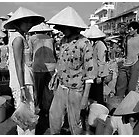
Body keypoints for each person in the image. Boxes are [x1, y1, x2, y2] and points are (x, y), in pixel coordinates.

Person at [47, 6, 96, 135]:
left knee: (75, 121)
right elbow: (61, 63)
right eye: (61, 27)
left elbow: (90, 73)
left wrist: (85, 97)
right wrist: (56, 77)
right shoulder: (63, 41)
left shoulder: (84, 43)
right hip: (61, 87)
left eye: (64, 27)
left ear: (73, 27)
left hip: (76, 90)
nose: (62, 30)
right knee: (54, 115)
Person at [3, 7, 44, 135]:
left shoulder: (19, 37)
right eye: (26, 22)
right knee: (27, 115)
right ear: (17, 23)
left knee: (24, 114)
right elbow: (18, 65)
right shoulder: (18, 39)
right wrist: (22, 88)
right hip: (23, 81)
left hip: (25, 79)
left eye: (30, 22)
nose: (29, 25)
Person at [28, 22, 57, 115]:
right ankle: (48, 109)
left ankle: (37, 108)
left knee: (37, 90)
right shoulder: (51, 39)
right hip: (51, 67)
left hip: (38, 67)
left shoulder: (32, 39)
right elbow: (55, 54)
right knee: (49, 90)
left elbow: (30, 54)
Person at [84, 25, 108, 105]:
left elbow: (101, 60)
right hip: (95, 72)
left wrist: (99, 75)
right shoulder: (96, 44)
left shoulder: (100, 45)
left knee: (98, 94)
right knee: (94, 94)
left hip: (98, 73)